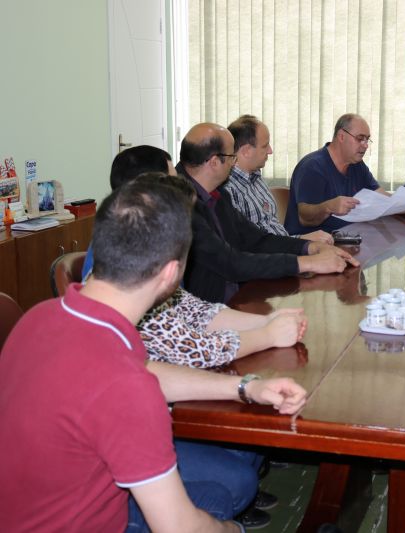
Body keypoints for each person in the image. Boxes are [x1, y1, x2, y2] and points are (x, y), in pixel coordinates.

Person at [0, 177, 307, 532]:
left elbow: (145, 374)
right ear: (171, 273)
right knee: (220, 500)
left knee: (233, 478)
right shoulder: (126, 386)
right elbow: (179, 527)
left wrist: (245, 388)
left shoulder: (41, 315)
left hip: (24, 509)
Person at [83, 145, 306, 369]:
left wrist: (267, 321)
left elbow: (196, 312)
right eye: (171, 178)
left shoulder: (134, 245)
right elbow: (189, 349)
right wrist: (267, 335)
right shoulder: (138, 271)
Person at [178, 122, 358, 303]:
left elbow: (257, 239)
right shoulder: (180, 205)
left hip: (239, 297)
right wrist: (308, 263)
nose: (234, 163)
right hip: (211, 308)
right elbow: (230, 263)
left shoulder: (217, 194)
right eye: (232, 157)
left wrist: (310, 247)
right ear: (214, 162)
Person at [225, 114, 333, 244]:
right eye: (265, 146)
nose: (270, 151)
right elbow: (251, 245)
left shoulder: (256, 178)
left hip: (284, 248)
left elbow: (274, 232)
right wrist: (301, 242)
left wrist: (300, 242)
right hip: (272, 254)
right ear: (246, 151)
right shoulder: (228, 190)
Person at [283, 113, 386, 235]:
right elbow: (305, 219)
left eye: (367, 139)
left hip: (349, 236)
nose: (365, 145)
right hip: (313, 242)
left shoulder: (357, 164)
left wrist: (402, 204)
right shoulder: (313, 167)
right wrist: (328, 207)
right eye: (360, 138)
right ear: (341, 136)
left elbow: (380, 196)